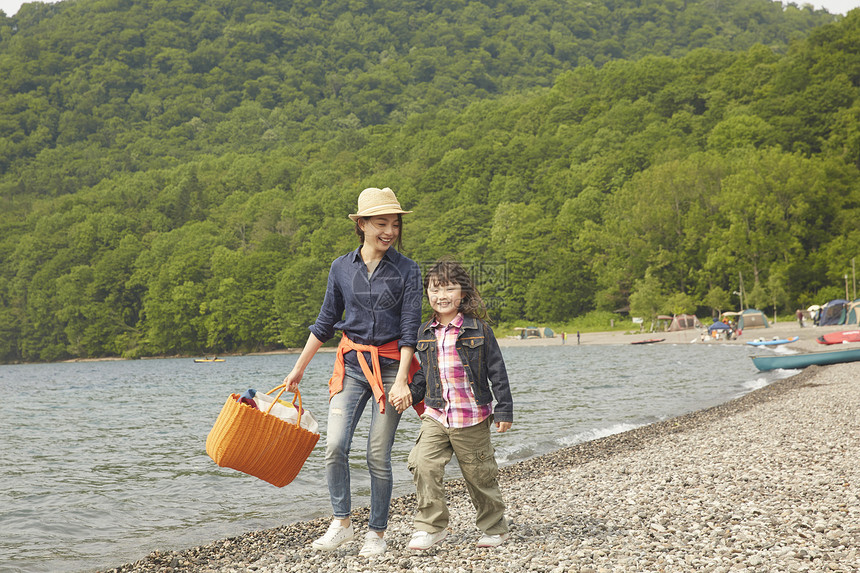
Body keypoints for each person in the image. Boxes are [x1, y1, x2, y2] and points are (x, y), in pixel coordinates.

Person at [282, 187, 422, 557]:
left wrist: (404, 379)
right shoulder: (341, 268)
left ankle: (377, 532)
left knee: (377, 453)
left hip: (393, 369)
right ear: (361, 225)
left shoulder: (408, 270)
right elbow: (326, 321)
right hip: (351, 366)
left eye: (395, 224)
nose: (390, 231)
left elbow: (411, 329)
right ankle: (342, 523)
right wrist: (297, 369)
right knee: (334, 446)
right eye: (381, 223)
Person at [397, 259, 514, 551]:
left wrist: (504, 409)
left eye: (449, 288)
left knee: (479, 475)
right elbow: (425, 373)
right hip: (436, 414)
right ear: (427, 294)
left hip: (472, 415)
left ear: (463, 293)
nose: (441, 295)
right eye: (435, 289)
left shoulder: (479, 329)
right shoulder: (425, 332)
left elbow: (497, 371)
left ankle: (494, 527)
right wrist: (410, 392)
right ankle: (432, 526)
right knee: (422, 464)